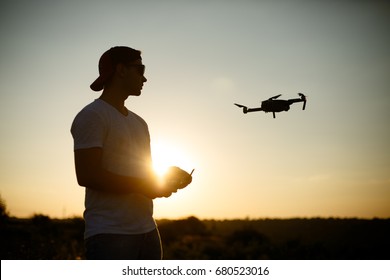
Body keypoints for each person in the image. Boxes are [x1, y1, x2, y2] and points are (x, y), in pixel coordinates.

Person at [70, 46, 192, 259]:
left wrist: (166, 176)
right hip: (109, 235)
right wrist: (144, 186)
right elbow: (87, 175)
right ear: (121, 70)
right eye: (140, 69)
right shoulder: (92, 115)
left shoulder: (140, 123)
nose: (145, 79)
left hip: (148, 232)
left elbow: (142, 173)